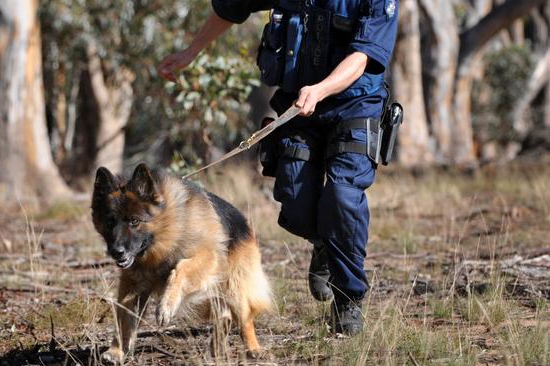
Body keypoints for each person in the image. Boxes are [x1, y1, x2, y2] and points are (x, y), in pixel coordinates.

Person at [158, 0, 398, 336]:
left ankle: (347, 299)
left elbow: (362, 57)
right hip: (298, 106)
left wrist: (322, 89)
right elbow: (231, 8)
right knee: (296, 203)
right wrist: (189, 53)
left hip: (356, 105)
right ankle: (325, 244)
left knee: (343, 197)